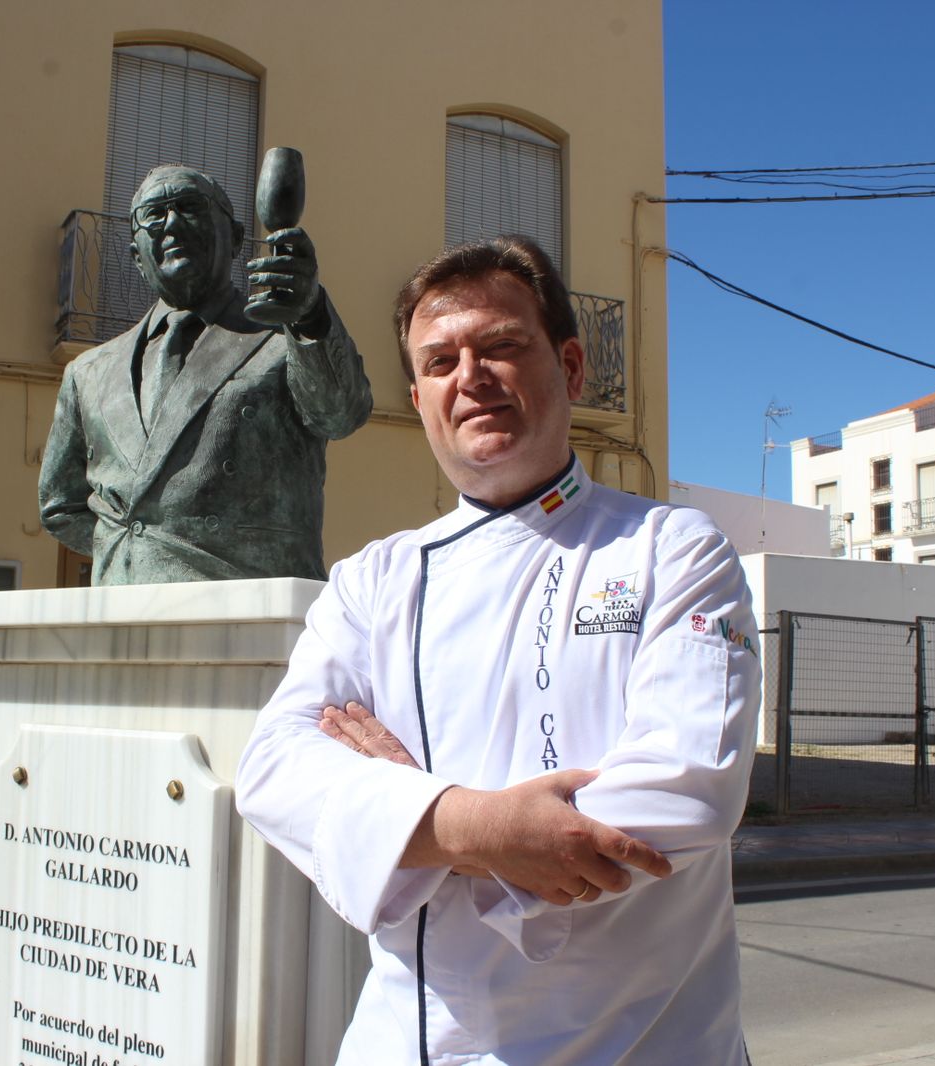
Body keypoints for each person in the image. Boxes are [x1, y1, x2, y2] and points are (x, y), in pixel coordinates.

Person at [236, 235, 761, 1063]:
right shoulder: (373, 580)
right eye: (440, 361)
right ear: (419, 399)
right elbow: (273, 771)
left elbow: (687, 792)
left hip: (638, 1044)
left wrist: (403, 816)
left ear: (571, 366)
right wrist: (476, 826)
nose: (470, 376)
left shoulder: (673, 550)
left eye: (503, 345)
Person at [38, 164, 373, 585]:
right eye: (154, 214)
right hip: (126, 605)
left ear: (235, 238)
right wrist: (140, 550)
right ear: (136, 256)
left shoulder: (288, 338)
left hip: (250, 602)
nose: (172, 223)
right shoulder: (88, 372)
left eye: (190, 206)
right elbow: (60, 505)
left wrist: (308, 313)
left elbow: (341, 415)